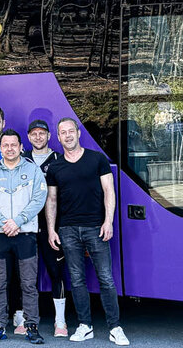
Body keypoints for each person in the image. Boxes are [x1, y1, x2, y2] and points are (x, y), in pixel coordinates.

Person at [45, 118, 129, 346]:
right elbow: (51, 200)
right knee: (77, 280)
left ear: (78, 133)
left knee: (106, 279)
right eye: (63, 132)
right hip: (68, 230)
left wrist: (108, 221)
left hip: (96, 228)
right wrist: (51, 229)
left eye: (71, 131)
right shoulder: (55, 167)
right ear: (58, 137)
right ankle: (85, 326)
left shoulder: (97, 159)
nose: (68, 135)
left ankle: (115, 327)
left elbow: (109, 191)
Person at [0, 129, 47, 344]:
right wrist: (4, 222)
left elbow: (39, 198)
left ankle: (31, 327)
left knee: (28, 284)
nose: (9, 149)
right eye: (5, 145)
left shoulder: (33, 170)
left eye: (13, 145)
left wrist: (17, 221)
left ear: (20, 147)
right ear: (0, 149)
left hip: (25, 235)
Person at [22, 119, 68, 337]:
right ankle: (23, 318)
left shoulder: (59, 160)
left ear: (49, 136)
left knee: (55, 271)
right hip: (26, 226)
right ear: (28, 137)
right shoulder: (21, 159)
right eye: (34, 134)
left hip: (52, 226)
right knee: (25, 275)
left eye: (42, 133)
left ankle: (60, 321)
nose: (38, 137)